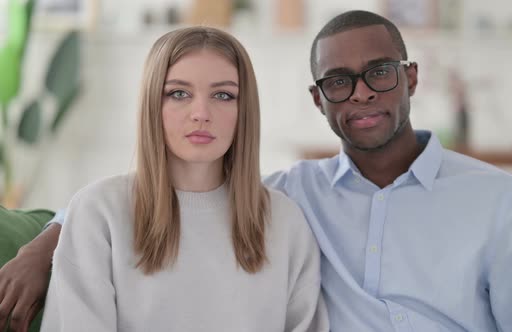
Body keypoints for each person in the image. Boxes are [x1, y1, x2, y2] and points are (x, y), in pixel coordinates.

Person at [0, 10, 512, 332]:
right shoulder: (294, 197)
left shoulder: (499, 200)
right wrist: (43, 244)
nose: (361, 95)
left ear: (411, 79)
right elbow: (160, 199)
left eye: (380, 72)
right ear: (317, 99)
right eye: (337, 82)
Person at [34, 26, 327, 331]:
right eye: (179, 93)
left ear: (245, 111)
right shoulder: (98, 212)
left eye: (223, 95)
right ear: (152, 105)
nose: (201, 113)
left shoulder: (286, 222)